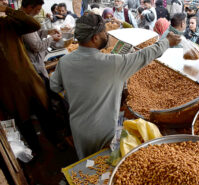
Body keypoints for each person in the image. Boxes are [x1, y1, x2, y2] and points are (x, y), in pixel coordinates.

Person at [49, 13, 181, 159]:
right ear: (95, 38)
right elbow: (144, 56)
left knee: (85, 166)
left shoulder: (64, 61)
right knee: (103, 167)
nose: (107, 35)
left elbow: (54, 86)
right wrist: (167, 42)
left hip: (78, 127)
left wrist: (74, 93)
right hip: (103, 132)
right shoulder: (113, 63)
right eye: (104, 32)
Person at [0, 1, 62, 153]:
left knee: (43, 109)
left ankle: (55, 140)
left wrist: (8, 10)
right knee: (22, 119)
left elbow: (33, 25)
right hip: (6, 84)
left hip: (27, 77)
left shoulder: (8, 23)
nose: (6, 2)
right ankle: (36, 151)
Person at [22, 4, 61, 79]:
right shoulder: (24, 23)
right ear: (30, 7)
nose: (39, 12)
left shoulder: (28, 19)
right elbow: (37, 46)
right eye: (37, 9)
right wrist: (52, 38)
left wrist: (49, 32)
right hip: (33, 64)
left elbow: (35, 34)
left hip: (37, 60)